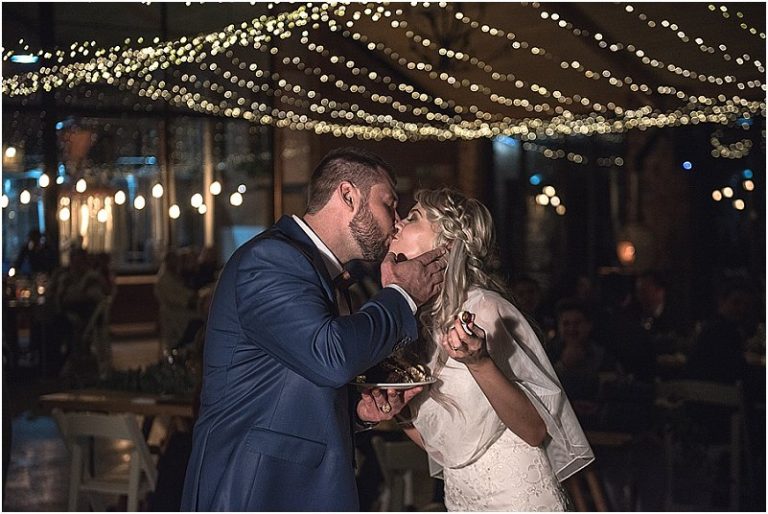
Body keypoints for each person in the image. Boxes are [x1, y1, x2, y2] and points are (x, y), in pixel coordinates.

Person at [181, 147, 447, 511]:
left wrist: (357, 410)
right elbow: (330, 356)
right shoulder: (270, 260)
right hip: (253, 489)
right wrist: (403, 295)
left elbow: (296, 379)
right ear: (348, 195)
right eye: (389, 204)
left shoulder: (319, 271)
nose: (397, 222)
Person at [389, 188, 594, 511]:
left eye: (413, 217)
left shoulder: (484, 309)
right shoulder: (423, 320)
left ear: (446, 245)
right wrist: (397, 409)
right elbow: (446, 446)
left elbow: (534, 430)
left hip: (515, 499)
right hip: (462, 499)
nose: (397, 223)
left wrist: (479, 363)